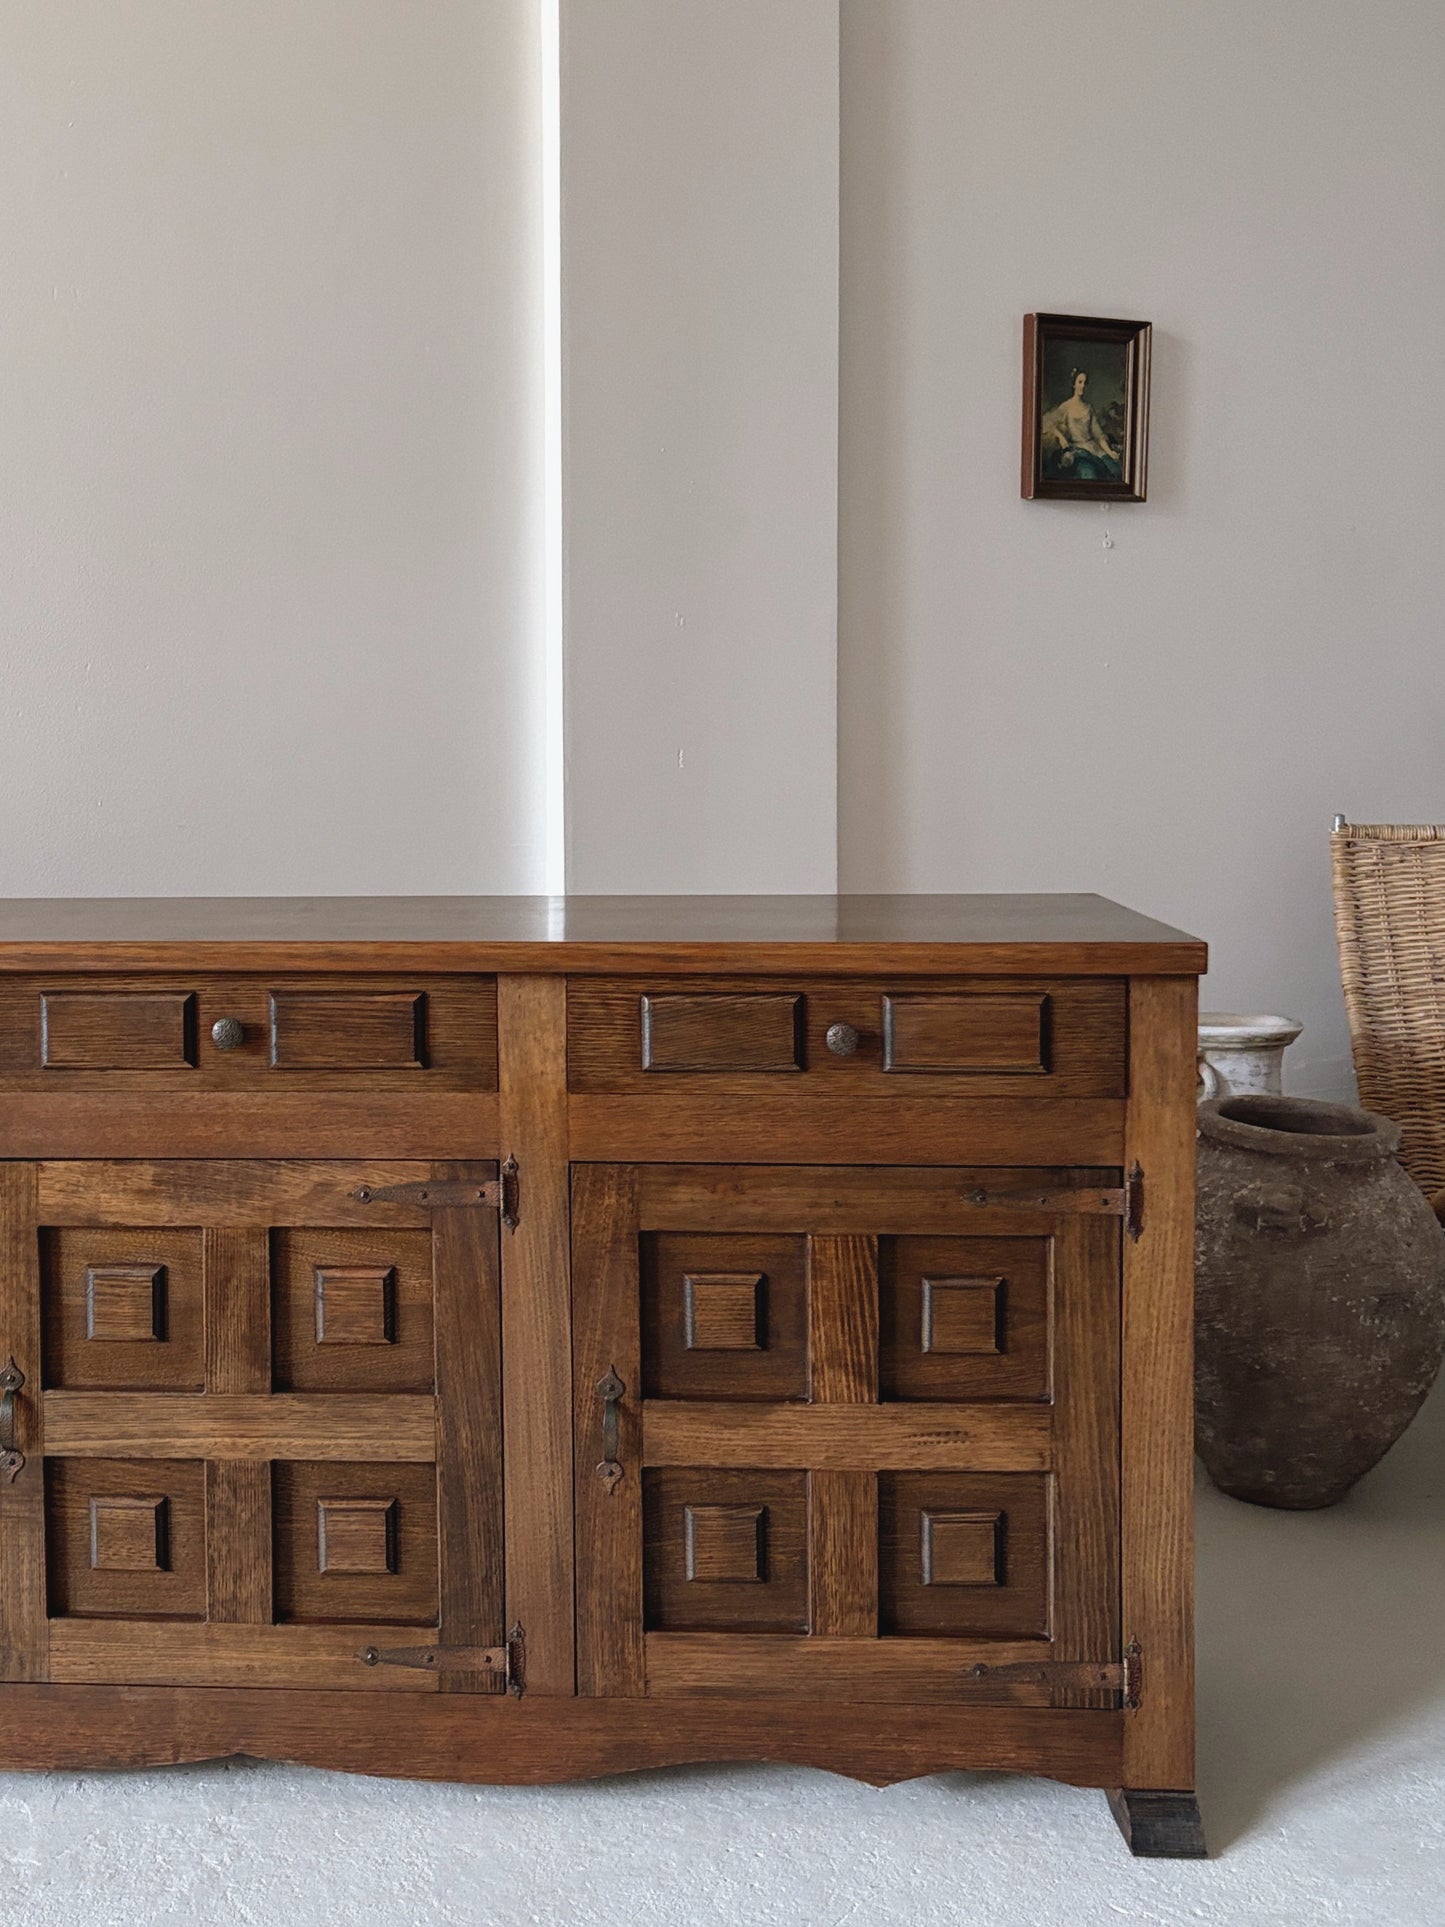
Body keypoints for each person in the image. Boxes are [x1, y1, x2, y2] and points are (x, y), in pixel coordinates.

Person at [1039, 369, 1122, 481]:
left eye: (1085, 383)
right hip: (1078, 452)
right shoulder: (1066, 406)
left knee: (1116, 471)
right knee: (1089, 474)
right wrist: (1060, 436)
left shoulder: (1089, 408)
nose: (1082, 386)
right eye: (1080, 382)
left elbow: (1098, 436)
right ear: (1074, 384)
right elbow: (1045, 422)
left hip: (1094, 449)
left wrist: (1110, 453)